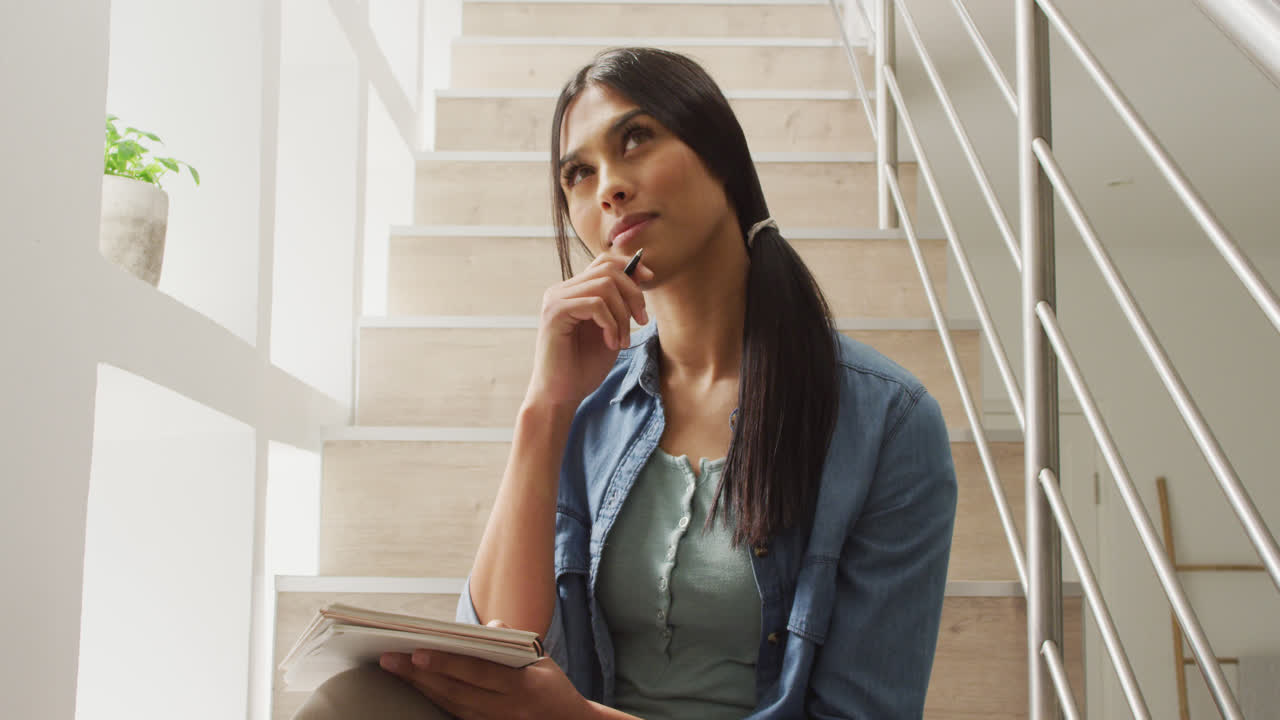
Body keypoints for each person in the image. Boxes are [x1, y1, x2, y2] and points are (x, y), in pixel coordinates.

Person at [294, 47, 957, 720]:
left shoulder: (887, 423)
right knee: (349, 702)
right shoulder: (591, 402)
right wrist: (545, 407)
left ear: (719, 152)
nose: (607, 186)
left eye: (635, 139)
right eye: (578, 174)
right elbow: (493, 652)